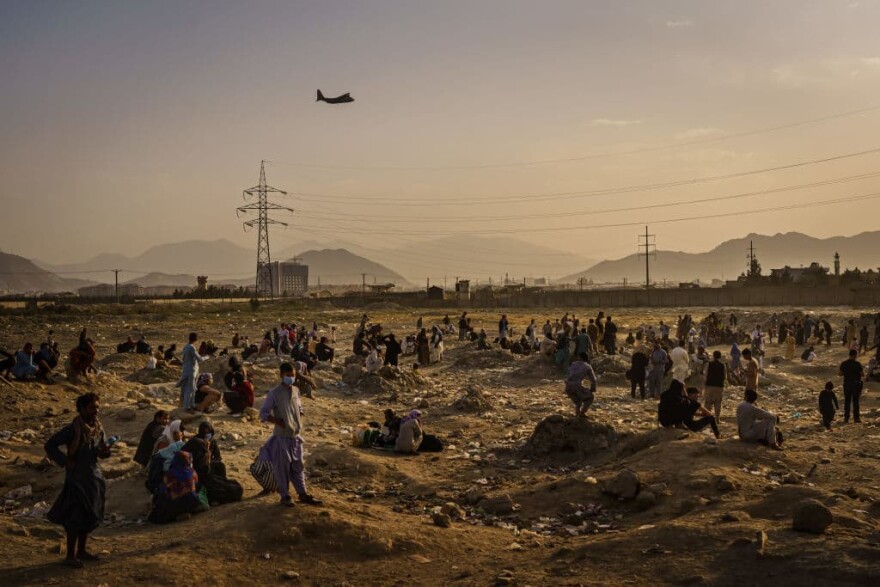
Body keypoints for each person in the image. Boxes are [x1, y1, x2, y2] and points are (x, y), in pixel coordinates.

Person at [44, 393, 111, 568]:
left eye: (97, 407)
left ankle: (82, 551)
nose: (96, 410)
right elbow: (50, 445)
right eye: (92, 407)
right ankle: (70, 556)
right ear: (81, 408)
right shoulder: (72, 429)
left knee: (89, 513)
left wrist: (105, 452)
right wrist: (66, 461)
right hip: (76, 478)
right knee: (75, 516)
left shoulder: (98, 427)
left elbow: (101, 450)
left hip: (93, 477)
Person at [258, 363, 322, 507]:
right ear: (281, 375)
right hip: (282, 437)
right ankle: (285, 495)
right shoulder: (274, 393)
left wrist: (300, 416)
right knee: (282, 468)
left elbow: (299, 407)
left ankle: (302, 493)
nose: (291, 378)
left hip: (295, 436)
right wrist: (278, 421)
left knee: (298, 466)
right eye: (288, 375)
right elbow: (263, 414)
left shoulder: (296, 390)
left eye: (293, 375)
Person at [182, 422, 243, 505]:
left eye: (208, 433)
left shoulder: (212, 441)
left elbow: (217, 456)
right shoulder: (196, 442)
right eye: (205, 433)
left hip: (208, 468)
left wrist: (209, 460)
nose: (207, 435)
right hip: (199, 471)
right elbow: (199, 462)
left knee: (220, 467)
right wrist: (206, 453)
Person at [177, 333, 206, 412]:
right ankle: (188, 406)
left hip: (186, 370)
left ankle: (190, 405)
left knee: (189, 388)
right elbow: (199, 359)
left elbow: (183, 358)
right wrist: (206, 357)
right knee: (190, 389)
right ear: (196, 339)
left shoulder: (185, 347)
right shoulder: (192, 348)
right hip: (191, 371)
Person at [565, 353, 597, 417]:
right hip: (576, 386)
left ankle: (577, 414)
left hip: (568, 386)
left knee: (578, 401)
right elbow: (593, 380)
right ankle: (582, 414)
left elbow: (568, 374)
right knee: (590, 398)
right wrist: (592, 389)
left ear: (580, 358)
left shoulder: (573, 364)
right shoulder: (587, 366)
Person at [839, 349, 864, 423]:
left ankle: (846, 418)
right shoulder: (858, 364)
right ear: (855, 355)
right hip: (856, 385)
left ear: (849, 355)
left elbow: (840, 374)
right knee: (855, 402)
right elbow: (862, 374)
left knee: (847, 401)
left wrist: (847, 373)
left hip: (847, 384)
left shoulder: (844, 363)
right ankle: (856, 418)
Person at [703, 351, 727, 420]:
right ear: (720, 356)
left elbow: (705, 374)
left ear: (713, 356)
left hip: (709, 385)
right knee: (718, 403)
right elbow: (725, 377)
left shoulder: (709, 364)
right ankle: (717, 418)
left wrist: (705, 383)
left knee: (708, 402)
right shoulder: (723, 365)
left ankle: (706, 418)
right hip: (719, 386)